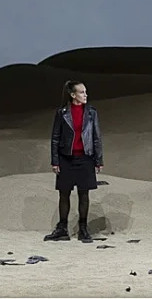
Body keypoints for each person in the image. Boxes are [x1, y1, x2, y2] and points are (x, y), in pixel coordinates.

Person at [44, 80, 104, 242]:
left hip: (86, 158)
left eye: (85, 92)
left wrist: (98, 160)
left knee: (84, 194)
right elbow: (55, 138)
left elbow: (96, 137)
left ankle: (83, 229)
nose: (85, 95)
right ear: (72, 95)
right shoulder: (62, 113)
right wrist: (55, 161)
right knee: (64, 193)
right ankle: (62, 229)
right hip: (66, 158)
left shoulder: (91, 113)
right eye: (82, 92)